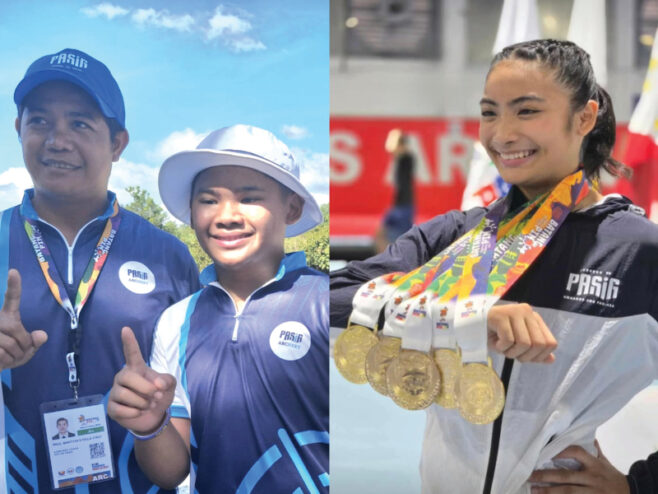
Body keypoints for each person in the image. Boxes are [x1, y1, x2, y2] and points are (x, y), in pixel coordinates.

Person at [330, 39, 658, 494]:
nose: (502, 134)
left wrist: (638, 485)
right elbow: (329, 297)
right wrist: (465, 313)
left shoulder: (636, 250)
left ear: (584, 117)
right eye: (489, 112)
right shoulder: (454, 236)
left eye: (526, 112)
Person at [0, 48, 200, 493]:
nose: (57, 140)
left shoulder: (168, 256)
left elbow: (197, 405)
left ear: (117, 143)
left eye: (80, 123)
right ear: (19, 129)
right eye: (40, 121)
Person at [107, 124, 329, 493]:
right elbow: (171, 473)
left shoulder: (324, 301)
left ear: (291, 208)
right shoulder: (177, 320)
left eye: (249, 198)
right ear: (192, 212)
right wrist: (148, 425)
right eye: (209, 200)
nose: (226, 215)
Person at [374, 129, 415, 253]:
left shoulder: (407, 158)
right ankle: (386, 262)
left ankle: (390, 263)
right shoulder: (400, 159)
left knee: (390, 237)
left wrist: (396, 136)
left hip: (403, 207)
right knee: (381, 235)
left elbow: (393, 148)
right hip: (399, 206)